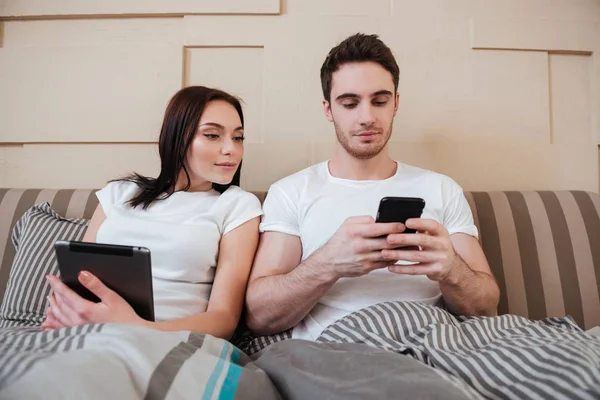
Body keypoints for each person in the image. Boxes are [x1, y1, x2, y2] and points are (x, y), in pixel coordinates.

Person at [244, 33, 500, 341]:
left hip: (437, 342)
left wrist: (451, 270)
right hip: (340, 349)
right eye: (350, 103)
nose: (367, 117)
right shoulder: (292, 192)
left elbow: (487, 308)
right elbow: (259, 317)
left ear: (396, 104)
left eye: (379, 101)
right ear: (328, 110)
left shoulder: (442, 189)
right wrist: (329, 263)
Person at [42, 86, 263, 340]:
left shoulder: (237, 206)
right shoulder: (118, 194)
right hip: (88, 333)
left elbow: (224, 319)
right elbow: (79, 278)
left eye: (238, 137)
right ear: (177, 137)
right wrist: (64, 310)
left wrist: (136, 327)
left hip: (164, 340)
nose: (231, 149)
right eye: (213, 135)